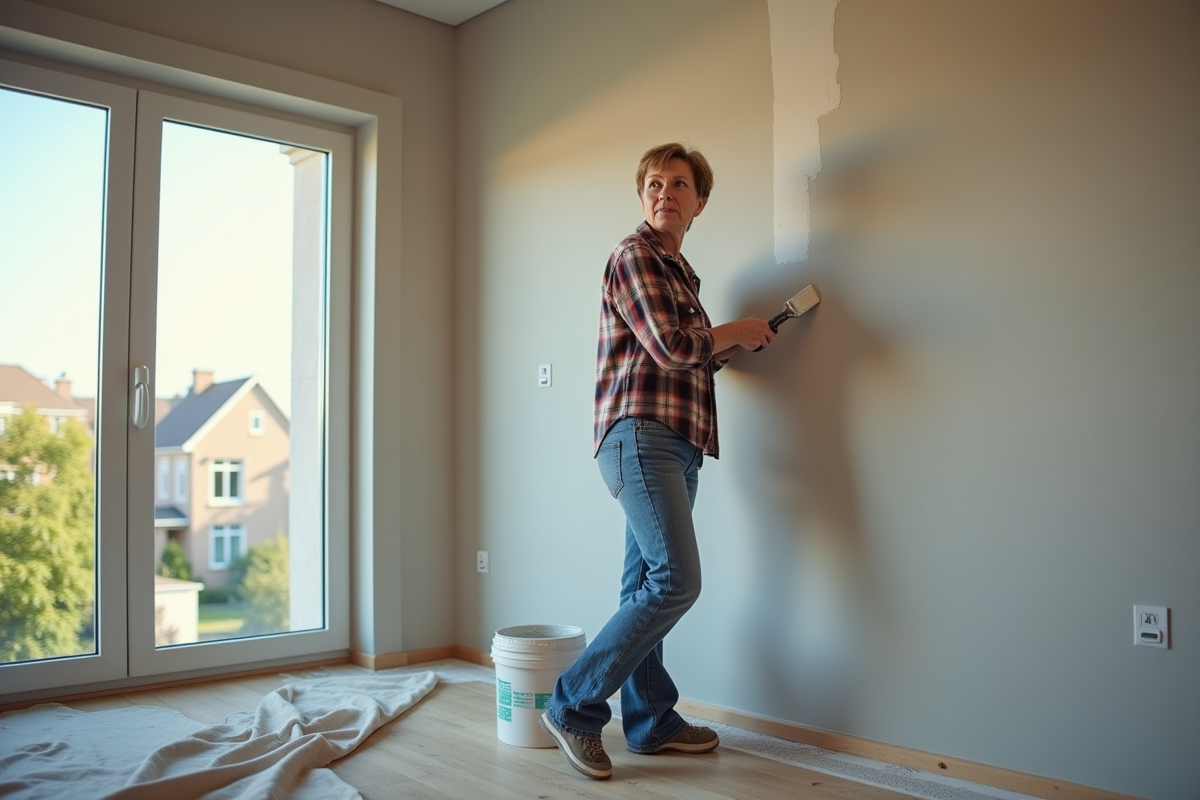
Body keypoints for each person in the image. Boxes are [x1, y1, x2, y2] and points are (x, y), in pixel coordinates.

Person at [539, 143, 776, 780]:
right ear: (642, 196)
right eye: (653, 183)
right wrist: (732, 329)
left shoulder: (681, 276)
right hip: (640, 439)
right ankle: (572, 704)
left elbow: (682, 356)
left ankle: (648, 721)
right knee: (676, 580)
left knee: (643, 587)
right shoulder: (635, 254)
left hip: (673, 441)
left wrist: (732, 342)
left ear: (700, 203)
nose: (664, 193)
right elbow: (672, 348)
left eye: (678, 185)